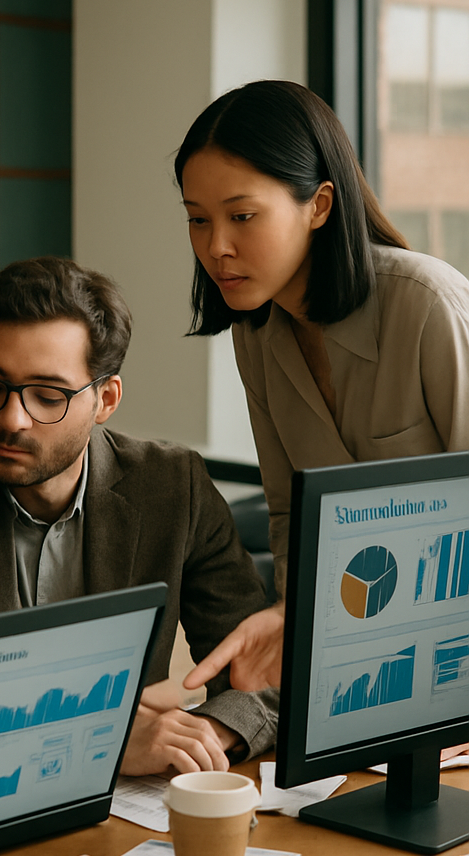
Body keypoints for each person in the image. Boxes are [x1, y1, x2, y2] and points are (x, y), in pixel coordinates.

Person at [0, 257, 278, 775]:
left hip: (117, 814)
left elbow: (260, 671)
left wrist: (208, 732)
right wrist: (97, 737)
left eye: (48, 396)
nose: (11, 419)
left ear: (105, 399)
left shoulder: (173, 487)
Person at [174, 80, 469, 702]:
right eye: (198, 220)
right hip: (368, 649)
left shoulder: (426, 304)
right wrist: (300, 623)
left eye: (242, 216)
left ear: (320, 204)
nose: (215, 247)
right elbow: (290, 514)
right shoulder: (254, 332)